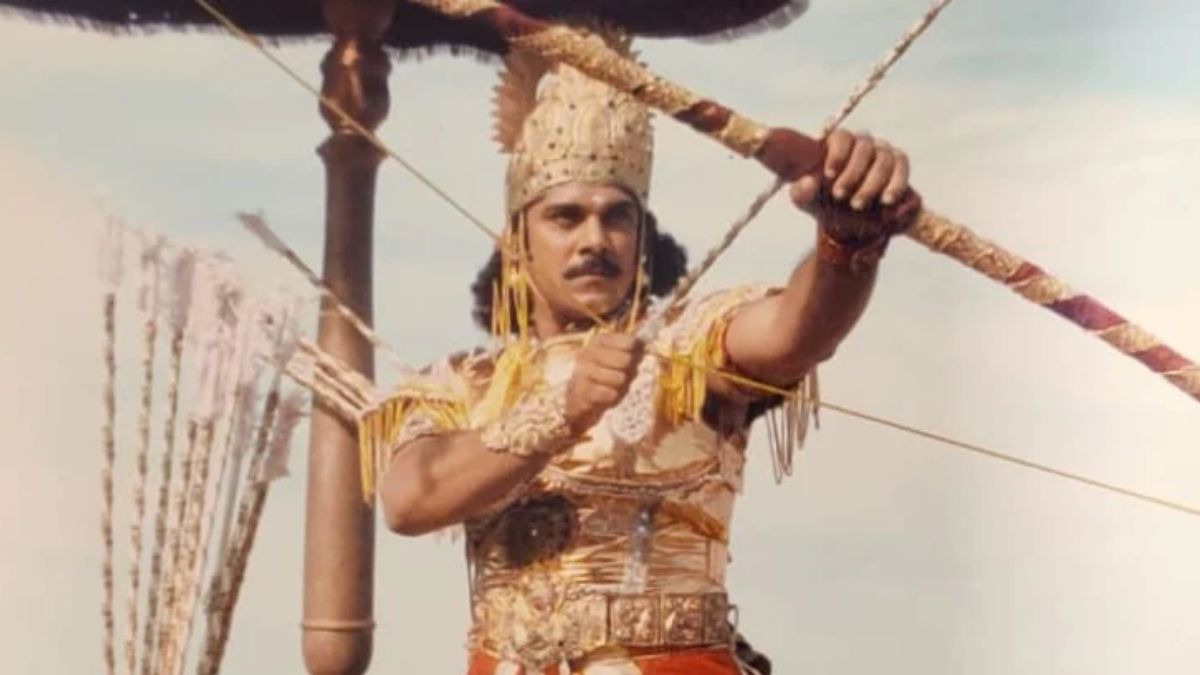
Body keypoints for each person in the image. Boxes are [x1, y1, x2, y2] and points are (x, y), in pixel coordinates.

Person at [360, 42, 918, 674]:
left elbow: (794, 332)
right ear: (517, 242)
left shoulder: (687, 344)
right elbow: (411, 498)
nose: (594, 240)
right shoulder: (459, 382)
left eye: (616, 219)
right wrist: (562, 412)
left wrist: (844, 245)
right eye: (566, 218)